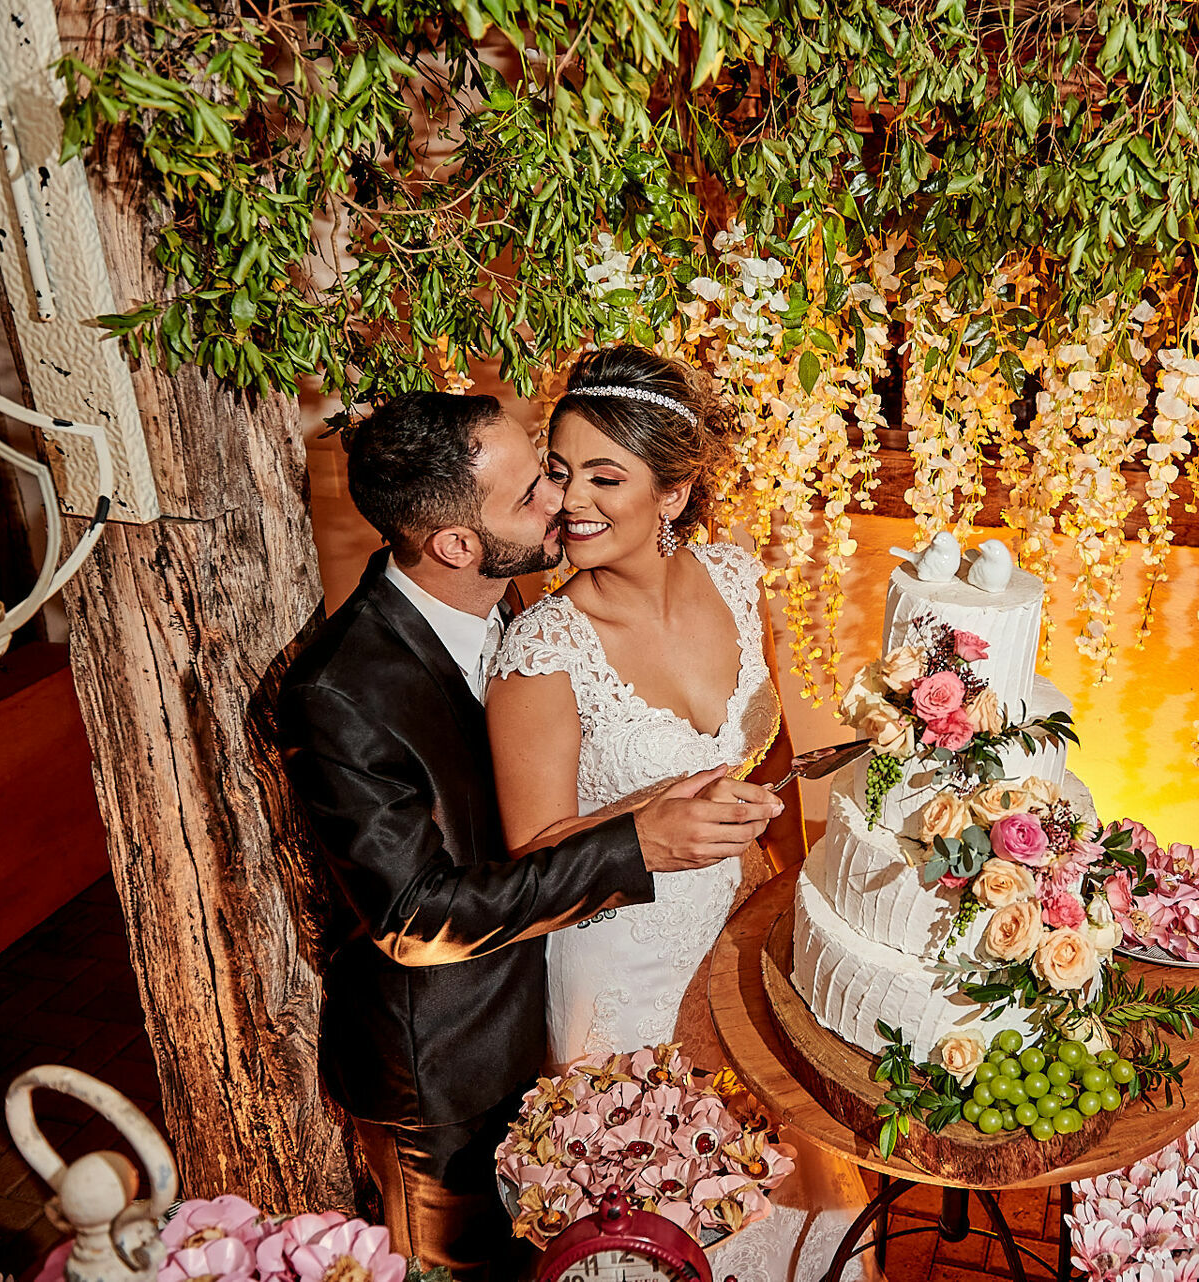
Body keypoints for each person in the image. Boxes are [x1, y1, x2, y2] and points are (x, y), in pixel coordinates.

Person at [279, 390, 785, 1282]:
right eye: (536, 491)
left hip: (576, 991)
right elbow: (412, 910)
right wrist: (639, 843)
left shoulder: (518, 601)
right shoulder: (341, 692)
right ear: (455, 546)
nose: (562, 500)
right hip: (452, 1066)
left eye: (555, 471)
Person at [488, 346, 870, 1280]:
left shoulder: (737, 579)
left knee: (782, 1184)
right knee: (662, 1216)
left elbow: (772, 754)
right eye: (560, 471)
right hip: (625, 970)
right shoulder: (543, 650)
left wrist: (785, 892)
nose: (571, 499)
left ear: (673, 492)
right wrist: (643, 819)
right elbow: (529, 859)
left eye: (605, 476)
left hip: (741, 942)